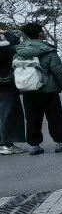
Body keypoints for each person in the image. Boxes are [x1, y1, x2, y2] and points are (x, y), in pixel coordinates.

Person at [14, 21, 62, 155]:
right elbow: (58, 71)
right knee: (55, 117)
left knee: (32, 118)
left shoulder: (19, 51)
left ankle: (34, 146)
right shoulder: (48, 50)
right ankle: (60, 143)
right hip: (48, 90)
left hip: (29, 90)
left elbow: (16, 70)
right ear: (40, 33)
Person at [0, 26, 26, 156]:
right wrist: (6, 33)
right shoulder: (5, 46)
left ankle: (4, 143)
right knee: (7, 115)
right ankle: (6, 144)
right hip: (6, 85)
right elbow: (15, 44)